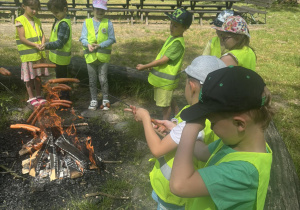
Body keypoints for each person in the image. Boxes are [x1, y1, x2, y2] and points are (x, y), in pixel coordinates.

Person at [125, 56, 226, 209]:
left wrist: (145, 117)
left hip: (173, 195)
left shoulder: (193, 121)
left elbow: (157, 150)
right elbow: (186, 138)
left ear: (191, 86)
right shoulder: (214, 118)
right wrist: (172, 128)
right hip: (186, 194)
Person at [170, 66, 274, 209]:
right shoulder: (237, 144)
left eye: (212, 122)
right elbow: (203, 152)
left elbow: (179, 185)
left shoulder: (243, 172)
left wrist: (189, 129)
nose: (210, 127)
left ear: (239, 123)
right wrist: (175, 130)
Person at [136, 8, 193, 120]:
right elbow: (162, 55)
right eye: (171, 23)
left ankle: (165, 123)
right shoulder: (172, 38)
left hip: (165, 81)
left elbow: (164, 60)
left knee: (165, 106)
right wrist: (152, 65)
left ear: (185, 28)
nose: (171, 27)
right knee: (168, 98)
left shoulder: (177, 43)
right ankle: (177, 115)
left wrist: (145, 66)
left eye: (176, 25)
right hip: (163, 80)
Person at [79, 0, 116, 111]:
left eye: (102, 10)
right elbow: (82, 38)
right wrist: (88, 44)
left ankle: (105, 99)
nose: (100, 12)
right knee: (92, 79)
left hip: (103, 57)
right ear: (93, 9)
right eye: (98, 9)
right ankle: (94, 99)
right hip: (90, 56)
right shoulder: (86, 22)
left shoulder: (108, 23)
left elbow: (112, 39)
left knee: (103, 78)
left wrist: (100, 45)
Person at [15, 0, 48, 107]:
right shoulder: (19, 20)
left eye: (37, 9)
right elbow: (22, 38)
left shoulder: (37, 21)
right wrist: (35, 45)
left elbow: (43, 35)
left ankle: (38, 95)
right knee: (29, 78)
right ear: (24, 6)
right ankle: (31, 97)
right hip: (28, 56)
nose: (35, 11)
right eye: (32, 8)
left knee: (38, 77)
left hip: (38, 55)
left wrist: (43, 43)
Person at [42, 0, 72, 100]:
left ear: (65, 9)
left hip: (62, 59)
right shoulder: (59, 20)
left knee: (62, 79)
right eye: (53, 13)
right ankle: (61, 95)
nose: (55, 15)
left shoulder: (64, 24)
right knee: (59, 78)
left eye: (56, 13)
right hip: (58, 58)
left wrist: (46, 45)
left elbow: (60, 43)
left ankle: (64, 98)